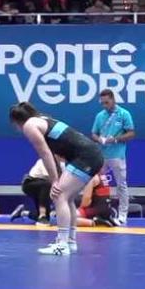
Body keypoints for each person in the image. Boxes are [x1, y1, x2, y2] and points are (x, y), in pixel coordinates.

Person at [10, 101, 106, 256]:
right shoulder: (43, 119)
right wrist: (59, 177)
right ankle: (70, 241)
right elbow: (55, 154)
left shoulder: (29, 125)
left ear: (16, 121)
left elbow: (45, 153)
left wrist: (55, 180)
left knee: (59, 195)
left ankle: (62, 245)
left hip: (85, 156)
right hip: (89, 154)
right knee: (68, 198)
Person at [91, 89, 134, 226]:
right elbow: (93, 134)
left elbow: (131, 133)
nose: (104, 105)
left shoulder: (124, 114)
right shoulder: (100, 116)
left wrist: (115, 139)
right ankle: (99, 212)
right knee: (98, 184)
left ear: (113, 99)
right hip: (101, 155)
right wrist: (99, 139)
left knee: (121, 185)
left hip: (117, 155)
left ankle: (122, 215)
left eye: (107, 102)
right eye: (102, 103)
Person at [11, 158, 53, 224]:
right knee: (47, 185)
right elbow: (49, 177)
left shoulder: (63, 164)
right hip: (30, 184)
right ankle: (42, 215)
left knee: (47, 218)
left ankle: (23, 212)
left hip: (42, 186)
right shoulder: (45, 160)